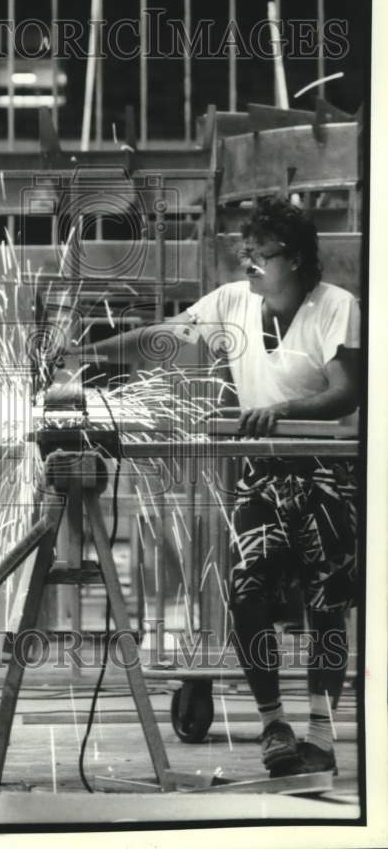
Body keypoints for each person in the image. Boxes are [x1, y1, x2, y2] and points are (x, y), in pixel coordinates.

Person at [62, 195, 360, 776]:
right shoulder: (230, 304)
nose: (250, 264)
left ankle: (321, 732)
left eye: (262, 255)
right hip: (260, 469)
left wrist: (284, 411)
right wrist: (86, 354)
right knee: (246, 594)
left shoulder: (336, 307)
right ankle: (274, 724)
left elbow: (346, 392)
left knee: (327, 604)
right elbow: (162, 338)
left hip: (324, 467)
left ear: (295, 259)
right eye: (246, 253)